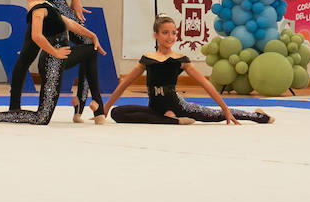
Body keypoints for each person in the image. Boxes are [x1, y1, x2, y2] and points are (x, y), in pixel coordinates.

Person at [104, 16, 273, 125]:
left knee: (216, 115)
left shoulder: (180, 59)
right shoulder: (147, 58)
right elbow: (125, 83)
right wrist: (106, 108)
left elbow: (205, 84)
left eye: (173, 33)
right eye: (165, 33)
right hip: (155, 109)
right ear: (156, 35)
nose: (170, 37)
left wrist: (226, 109)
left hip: (179, 107)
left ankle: (259, 115)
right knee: (117, 113)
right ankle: (172, 121)